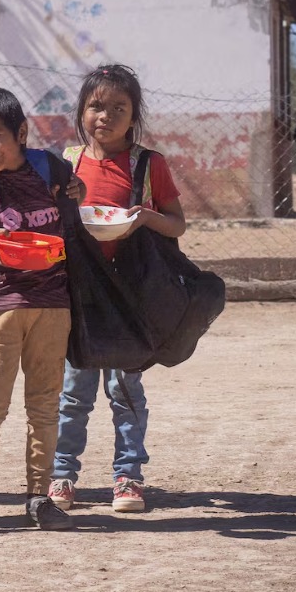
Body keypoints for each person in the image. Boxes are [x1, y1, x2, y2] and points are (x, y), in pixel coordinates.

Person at [51, 64, 187, 514]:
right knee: (74, 391)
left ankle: (128, 477)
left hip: (130, 295)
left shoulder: (149, 164)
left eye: (118, 108)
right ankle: (62, 474)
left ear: (133, 115)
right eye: (96, 106)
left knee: (126, 390)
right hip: (81, 295)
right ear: (81, 111)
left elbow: (177, 224)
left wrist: (144, 216)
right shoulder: (67, 162)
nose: (105, 116)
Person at [0, 88, 77, 536]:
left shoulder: (49, 169)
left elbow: (75, 205)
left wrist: (78, 190)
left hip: (53, 304)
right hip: (1, 306)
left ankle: (39, 497)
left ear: (21, 133)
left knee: (44, 404)